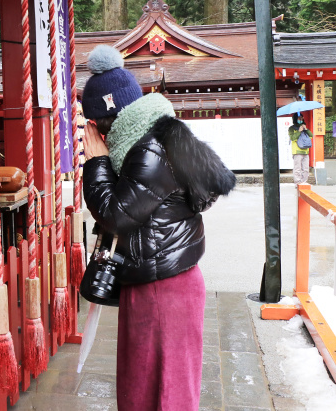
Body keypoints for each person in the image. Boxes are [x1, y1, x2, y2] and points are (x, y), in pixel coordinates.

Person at [80, 45, 236, 411]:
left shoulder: (146, 151)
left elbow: (115, 215)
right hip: (159, 280)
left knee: (167, 393)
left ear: (106, 123)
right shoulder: (150, 140)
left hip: (163, 288)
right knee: (145, 388)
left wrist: (96, 165)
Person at [288, 114, 311, 186]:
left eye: (301, 118)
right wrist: (299, 131)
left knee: (306, 168)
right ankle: (298, 183)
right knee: (297, 168)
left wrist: (306, 129)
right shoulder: (291, 128)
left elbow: (311, 136)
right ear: (295, 119)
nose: (300, 119)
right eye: (299, 118)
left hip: (306, 151)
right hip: (297, 151)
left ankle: (304, 182)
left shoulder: (304, 128)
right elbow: (292, 138)